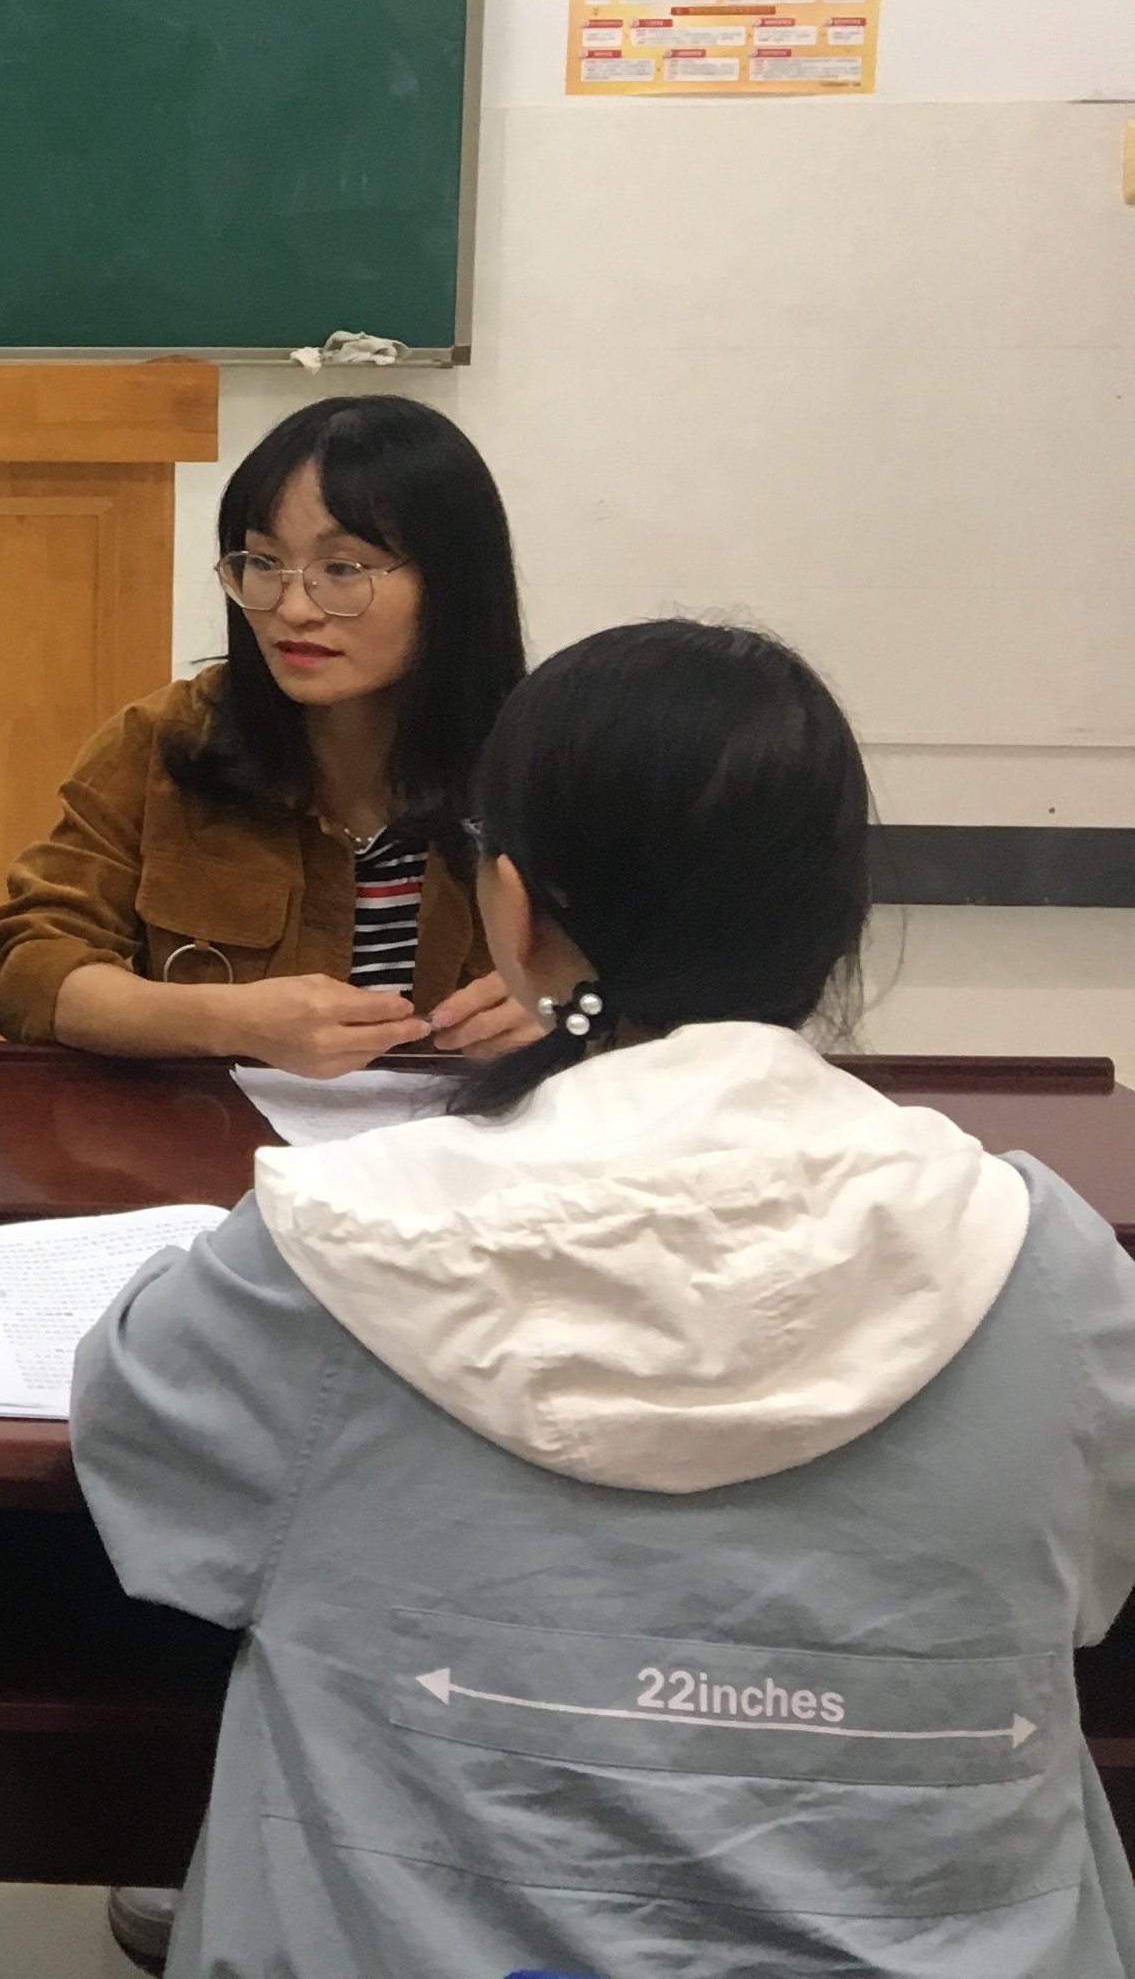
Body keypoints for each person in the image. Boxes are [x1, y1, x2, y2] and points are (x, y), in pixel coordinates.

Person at [71, 618, 1135, 1977]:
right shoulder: (1048, 1269)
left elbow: (142, 1444)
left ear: (510, 911)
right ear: (834, 922)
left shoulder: (338, 1248)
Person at [0, 394, 539, 1079]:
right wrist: (223, 1021)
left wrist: (571, 1004)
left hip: (475, 1141)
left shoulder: (548, 760)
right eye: (263, 564)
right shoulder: (166, 740)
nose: (292, 608)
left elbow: (640, 970)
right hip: (214, 1133)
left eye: (342, 570)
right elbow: (22, 962)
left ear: (452, 582)